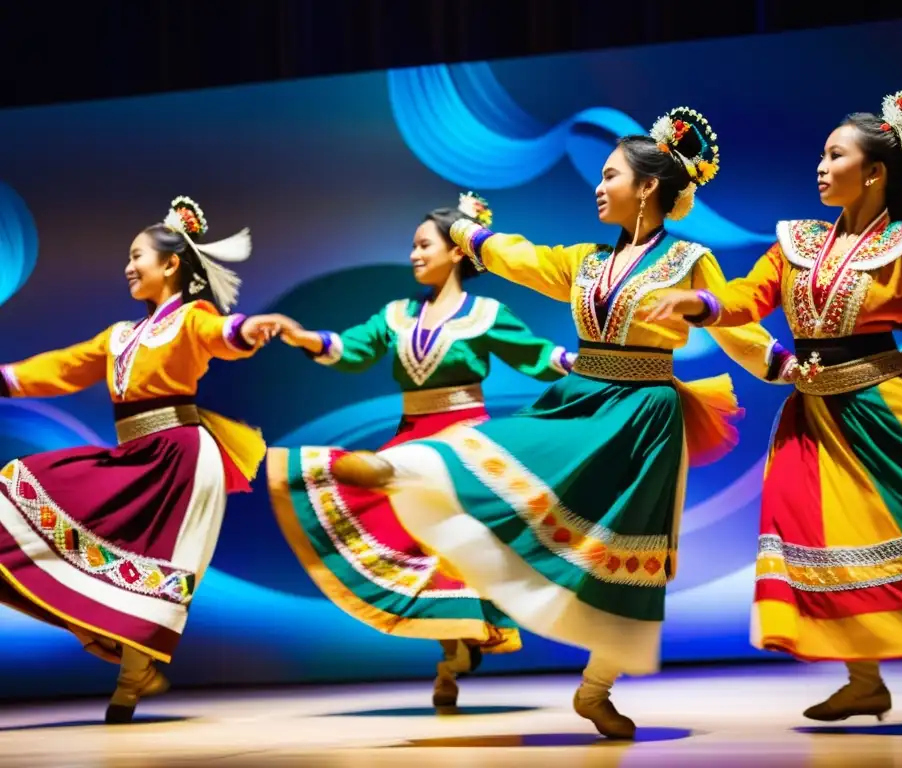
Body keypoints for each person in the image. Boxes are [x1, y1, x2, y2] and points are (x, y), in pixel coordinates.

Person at [328, 106, 794, 739]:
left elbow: (737, 329)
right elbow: (523, 258)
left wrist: (787, 366)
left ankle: (596, 689)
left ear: (647, 187)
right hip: (581, 398)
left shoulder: (689, 259)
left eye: (609, 175)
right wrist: (469, 234)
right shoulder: (587, 261)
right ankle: (399, 467)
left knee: (635, 554)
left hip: (645, 416)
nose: (598, 187)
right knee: (503, 451)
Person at [642, 91, 902, 722]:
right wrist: (702, 305)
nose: (820, 166)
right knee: (817, 533)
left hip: (884, 407)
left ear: (874, 172)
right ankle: (864, 678)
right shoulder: (800, 242)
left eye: (834, 154)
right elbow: (745, 298)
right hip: (812, 417)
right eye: (821, 155)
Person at [267, 192, 576, 710]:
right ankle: (451, 646)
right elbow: (352, 349)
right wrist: (306, 338)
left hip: (464, 443)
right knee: (386, 516)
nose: (413, 254)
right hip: (410, 437)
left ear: (457, 250)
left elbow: (538, 356)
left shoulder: (486, 314)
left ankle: (459, 646)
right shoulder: (397, 315)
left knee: (457, 538)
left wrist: (593, 362)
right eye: (412, 245)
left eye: (422, 244)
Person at [0, 196, 287, 723]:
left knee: (157, 566)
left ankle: (133, 675)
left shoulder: (191, 319)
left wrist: (246, 330)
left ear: (171, 263)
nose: (129, 267)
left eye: (138, 256)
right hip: (134, 456)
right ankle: (108, 643)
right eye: (128, 258)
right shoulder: (120, 336)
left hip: (179, 456)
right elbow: (62, 367)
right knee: (17, 487)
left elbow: (220, 335)